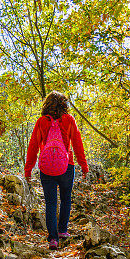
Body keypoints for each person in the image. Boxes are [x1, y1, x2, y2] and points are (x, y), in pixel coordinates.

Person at [25, 91, 88, 250]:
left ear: (47, 104)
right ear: (64, 104)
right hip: (67, 165)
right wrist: (83, 165)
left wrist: (28, 170)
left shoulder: (41, 122)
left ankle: (53, 238)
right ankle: (62, 231)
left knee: (51, 203)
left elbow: (33, 147)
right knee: (66, 199)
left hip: (46, 168)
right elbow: (77, 143)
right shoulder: (69, 120)